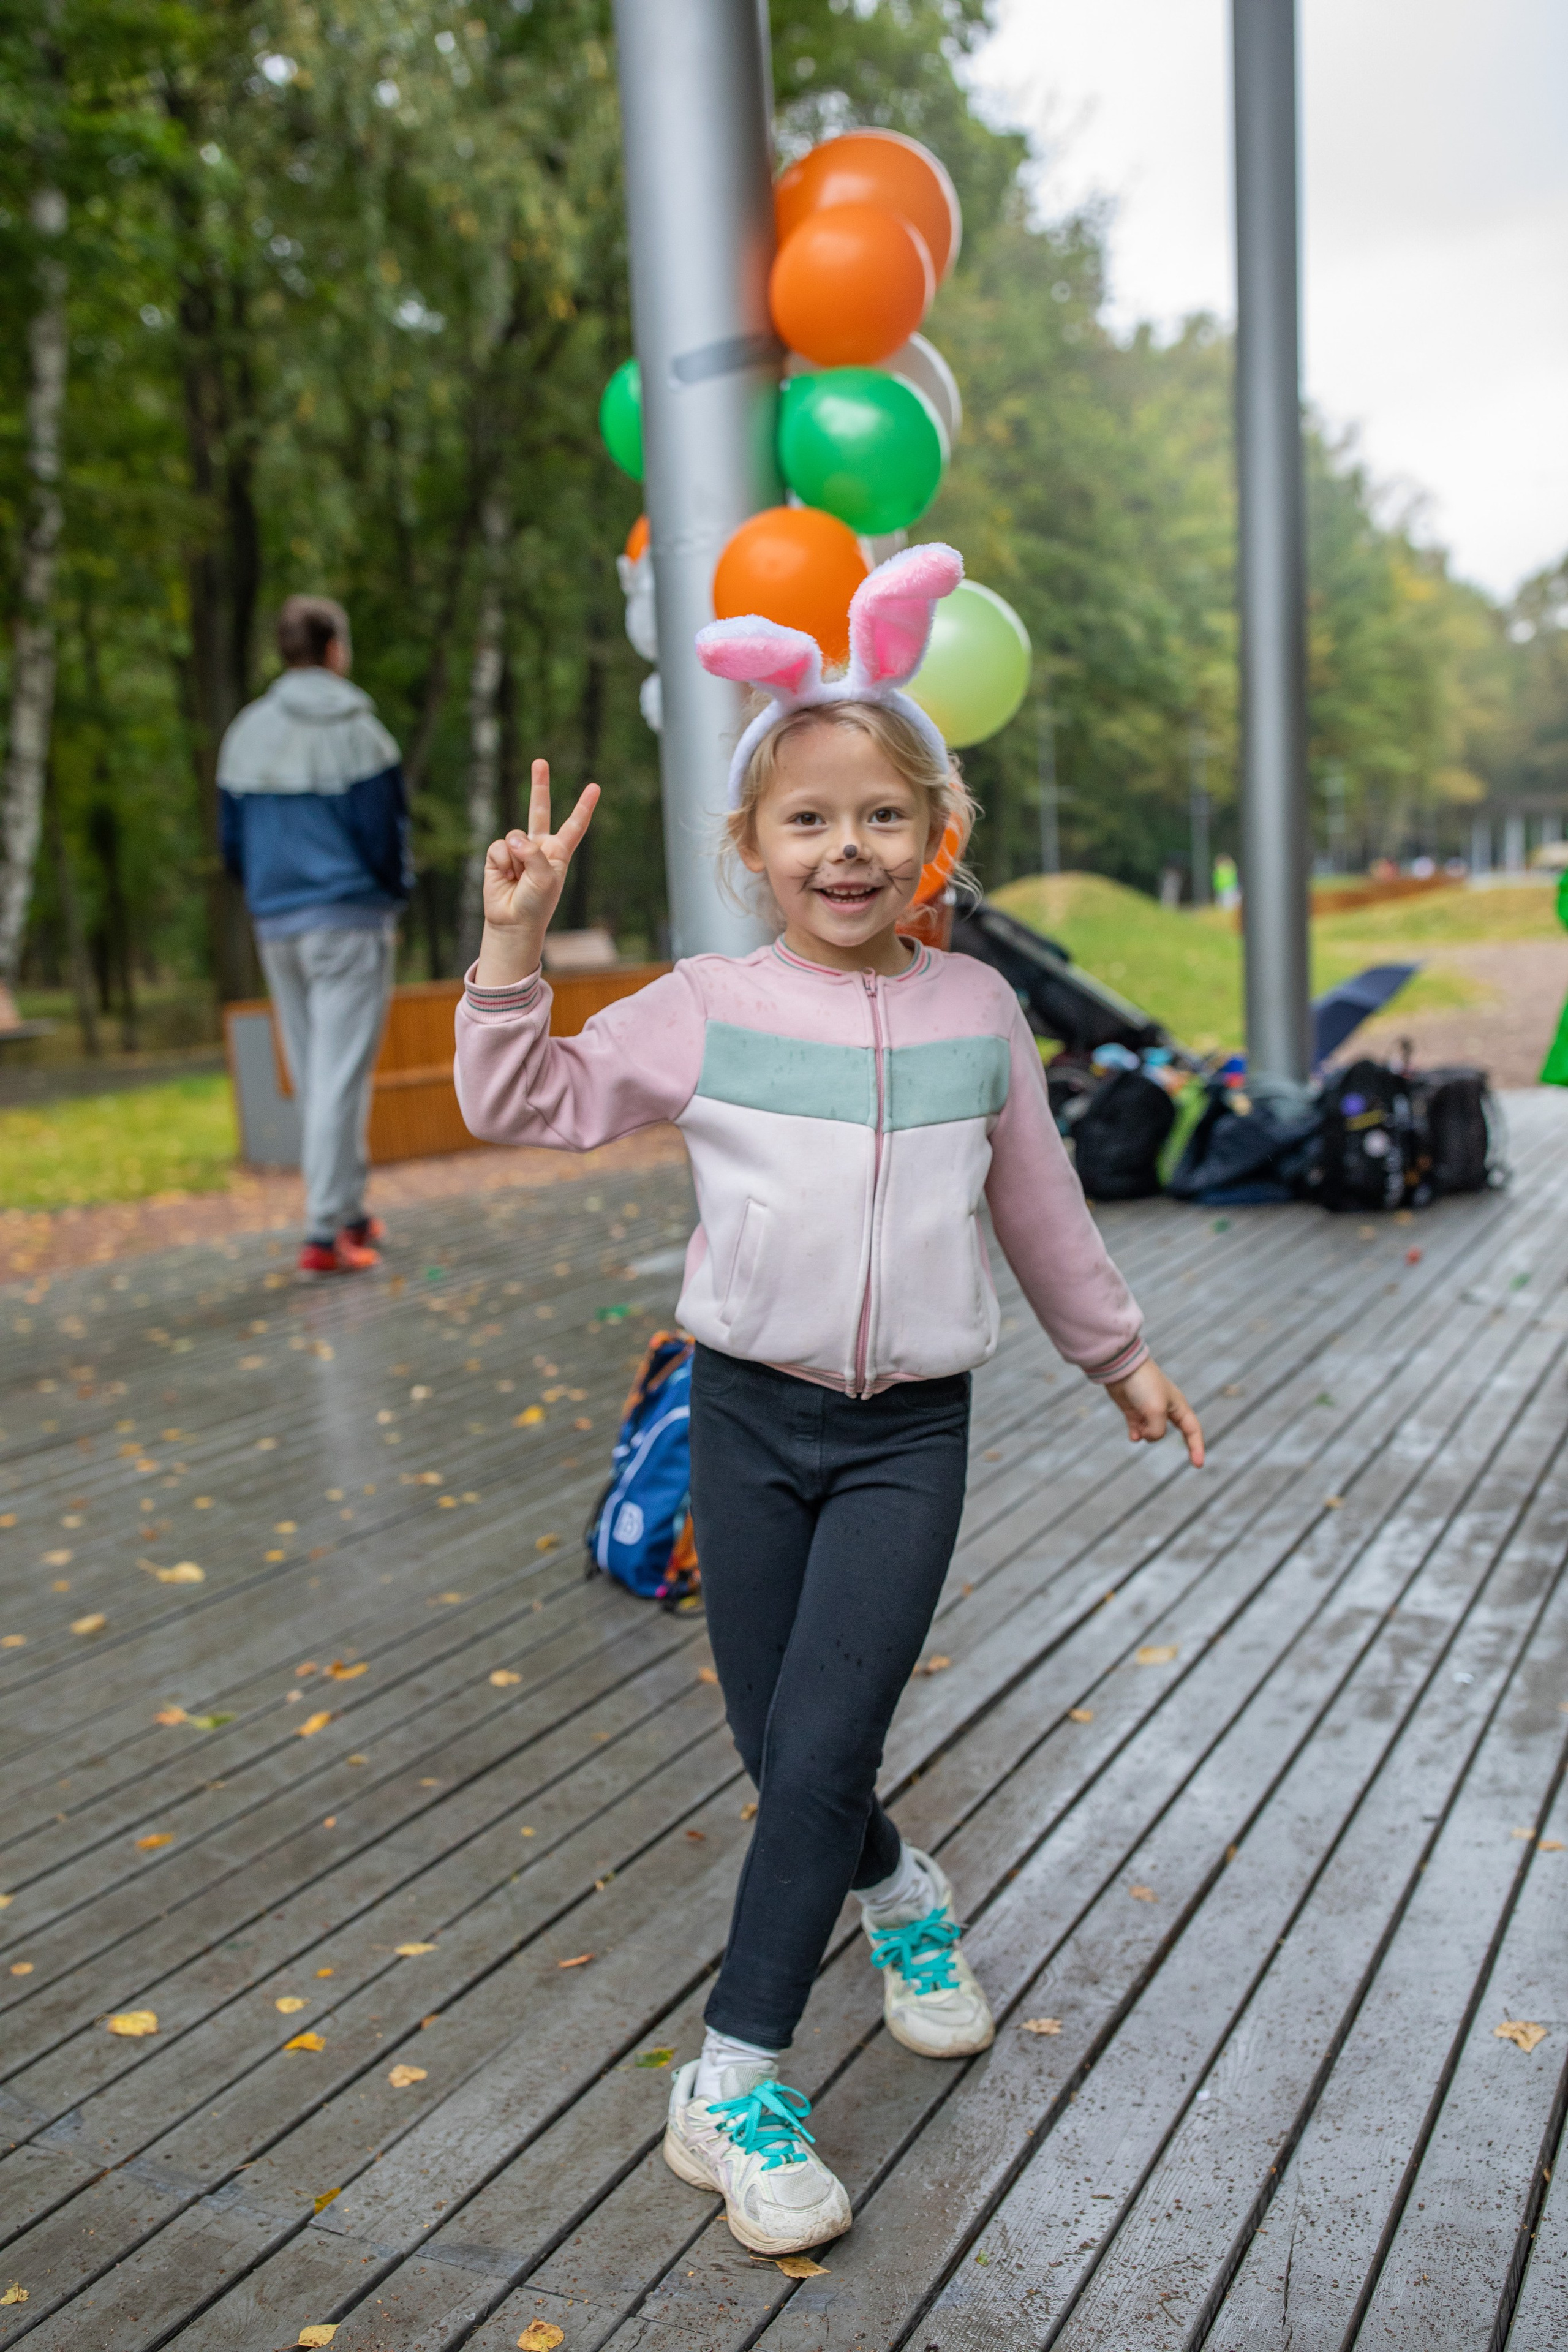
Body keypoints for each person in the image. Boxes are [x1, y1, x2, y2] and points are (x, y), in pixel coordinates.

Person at [453, 545, 1204, 2256]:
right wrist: (510, 946)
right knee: (782, 1751)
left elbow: (1040, 1210)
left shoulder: (978, 1010)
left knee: (819, 1747)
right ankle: (899, 1889)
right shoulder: (711, 1010)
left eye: (880, 816)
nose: (845, 849)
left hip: (903, 1441)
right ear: (755, 847)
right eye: (808, 822)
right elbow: (525, 1099)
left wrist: (1121, 1355)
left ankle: (730, 2082)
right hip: (743, 1415)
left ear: (932, 829)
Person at [219, 595, 411, 1275]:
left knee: (313, 1072)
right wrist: (393, 894)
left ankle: (349, 1210)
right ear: (333, 649)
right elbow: (384, 835)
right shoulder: (359, 730)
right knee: (338, 1075)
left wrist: (267, 897)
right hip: (347, 920)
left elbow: (231, 840)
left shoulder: (246, 732)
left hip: (276, 923)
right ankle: (324, 1231)